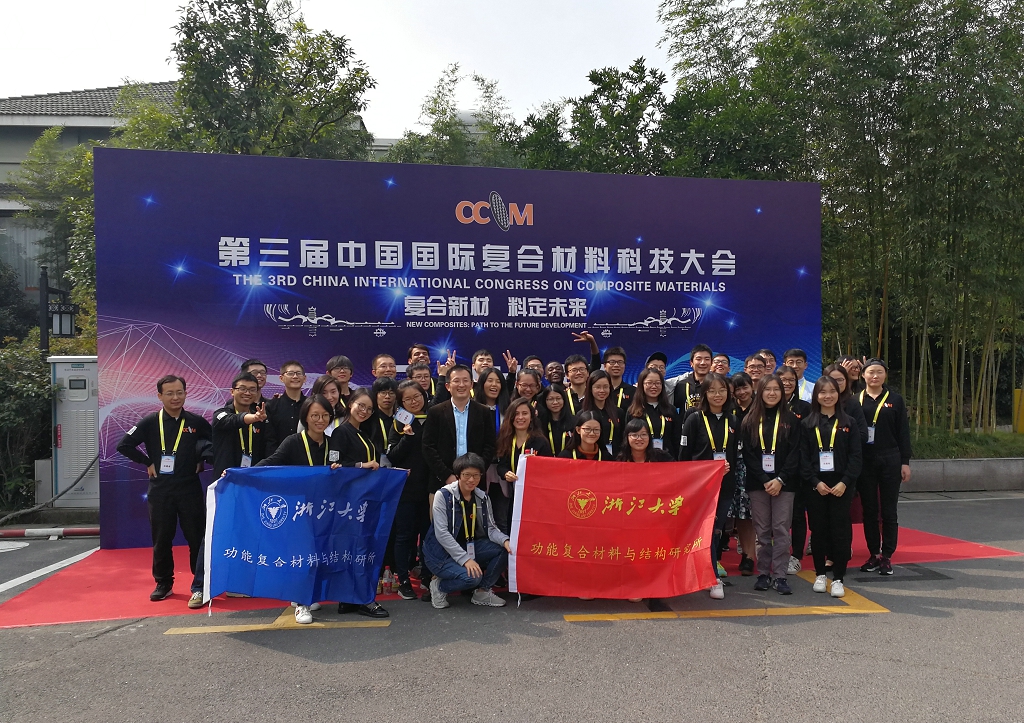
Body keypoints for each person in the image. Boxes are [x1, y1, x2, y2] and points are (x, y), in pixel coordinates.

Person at [116, 375, 212, 605]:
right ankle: (163, 583)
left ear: (186, 393)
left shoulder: (197, 422)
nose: (175, 397)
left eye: (179, 392)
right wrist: (147, 462)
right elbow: (123, 445)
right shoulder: (150, 422)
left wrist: (201, 459)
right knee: (161, 538)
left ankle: (200, 584)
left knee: (196, 537)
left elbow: (213, 445)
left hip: (189, 488)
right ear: (159, 396)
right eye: (169, 393)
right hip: (160, 490)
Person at [424, 453, 512, 609]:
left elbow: (491, 529)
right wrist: (465, 560)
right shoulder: (443, 496)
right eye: (467, 475)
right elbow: (441, 533)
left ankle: (482, 591)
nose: (471, 480)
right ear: (458, 475)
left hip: (467, 546)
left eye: (476, 475)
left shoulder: (482, 497)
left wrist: (505, 540)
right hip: (441, 554)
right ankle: (439, 587)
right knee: (472, 578)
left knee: (504, 549)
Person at [801, 376, 862, 598]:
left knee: (840, 530)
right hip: (815, 486)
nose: (828, 396)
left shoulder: (849, 423)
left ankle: (838, 578)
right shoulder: (807, 424)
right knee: (818, 530)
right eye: (823, 392)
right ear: (816, 396)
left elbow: (856, 457)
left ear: (839, 393)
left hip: (841, 486)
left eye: (832, 391)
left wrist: (844, 482)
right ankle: (820, 574)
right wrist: (815, 482)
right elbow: (803, 458)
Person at [678, 373, 738, 600]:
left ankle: (709, 573)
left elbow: (735, 454)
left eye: (721, 390)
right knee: (703, 532)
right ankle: (711, 577)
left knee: (716, 532)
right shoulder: (694, 419)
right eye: (712, 391)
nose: (717, 395)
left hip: (725, 486)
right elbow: (685, 457)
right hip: (700, 489)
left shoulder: (733, 421)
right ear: (704, 394)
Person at [741, 374, 801, 595]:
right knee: (763, 530)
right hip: (759, 484)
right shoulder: (749, 419)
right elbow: (748, 455)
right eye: (768, 389)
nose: (772, 393)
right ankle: (764, 573)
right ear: (760, 392)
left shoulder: (791, 419)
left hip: (785, 483)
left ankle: (780, 575)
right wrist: (766, 480)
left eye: (776, 389)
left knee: (781, 530)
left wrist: (780, 479)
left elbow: (795, 453)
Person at [857, 359, 912, 576]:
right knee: (869, 509)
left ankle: (887, 555)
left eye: (879, 372)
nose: (875, 376)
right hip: (865, 460)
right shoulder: (855, 400)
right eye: (871, 372)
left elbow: (903, 432)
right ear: (863, 375)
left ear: (885, 375)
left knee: (889, 510)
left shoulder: (895, 400)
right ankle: (873, 553)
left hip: (890, 457)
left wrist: (905, 462)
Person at [421, 364, 499, 505]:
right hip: (441, 482)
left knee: (473, 519)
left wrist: (475, 474)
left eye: (465, 381)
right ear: (448, 386)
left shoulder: (483, 412)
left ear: (471, 384)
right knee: (442, 520)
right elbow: (428, 447)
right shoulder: (435, 412)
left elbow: (489, 445)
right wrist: (447, 475)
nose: (461, 385)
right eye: (456, 381)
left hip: (475, 483)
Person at [386, 380, 432, 600]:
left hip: (430, 487)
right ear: (401, 403)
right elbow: (392, 456)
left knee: (428, 533)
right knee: (405, 535)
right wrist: (407, 436)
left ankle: (427, 575)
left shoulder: (433, 417)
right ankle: (403, 579)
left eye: (417, 397)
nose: (414, 402)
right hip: (406, 490)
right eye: (408, 399)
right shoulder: (399, 423)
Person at [494, 398, 553, 533]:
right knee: (513, 530)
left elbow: (549, 470)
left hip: (536, 497)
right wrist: (505, 473)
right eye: (516, 413)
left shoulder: (540, 441)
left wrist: (536, 466)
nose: (520, 417)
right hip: (514, 496)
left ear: (531, 417)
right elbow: (501, 465)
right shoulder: (506, 439)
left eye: (525, 413)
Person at [777, 365, 810, 576]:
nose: (787, 383)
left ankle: (796, 555)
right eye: (783, 379)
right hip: (774, 468)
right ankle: (776, 552)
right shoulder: (768, 404)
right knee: (777, 516)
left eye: (791, 380)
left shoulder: (804, 408)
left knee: (797, 513)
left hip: (798, 469)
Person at [726, 372, 757, 575]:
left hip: (753, 466)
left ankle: (750, 556)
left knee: (749, 515)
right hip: (730, 466)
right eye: (737, 389)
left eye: (745, 387)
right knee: (735, 514)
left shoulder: (760, 408)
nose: (742, 392)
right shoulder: (729, 410)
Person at [625, 368, 679, 457]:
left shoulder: (671, 410)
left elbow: (676, 439)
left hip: (667, 459)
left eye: (658, 383)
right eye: (649, 383)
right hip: (641, 460)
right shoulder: (633, 411)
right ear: (641, 385)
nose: (654, 386)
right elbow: (627, 440)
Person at [264, 360, 307, 456]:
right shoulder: (271, 406)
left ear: (304, 378)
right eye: (290, 373)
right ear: (281, 378)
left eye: (298, 373)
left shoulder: (311, 405)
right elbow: (270, 439)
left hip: (306, 459)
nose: (295, 376)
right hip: (278, 459)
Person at [583, 370, 622, 456]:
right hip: (591, 458)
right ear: (590, 389)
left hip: (615, 459)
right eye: (597, 387)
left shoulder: (619, 412)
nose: (602, 390)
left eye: (605, 387)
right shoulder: (583, 414)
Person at [671, 344, 713, 412]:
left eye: (707, 359)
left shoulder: (717, 384)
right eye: (698, 359)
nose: (703, 363)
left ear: (711, 362)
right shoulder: (681, 385)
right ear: (691, 363)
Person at [536, 383, 573, 455]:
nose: (555, 402)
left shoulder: (574, 421)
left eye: (558, 398)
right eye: (550, 399)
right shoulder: (539, 423)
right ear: (545, 401)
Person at [473, 366, 510, 435]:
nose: (494, 384)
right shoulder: (473, 409)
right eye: (490, 381)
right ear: (482, 384)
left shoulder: (508, 410)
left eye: (498, 382)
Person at [369, 376, 399, 458]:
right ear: (375, 395)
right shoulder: (369, 419)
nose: (387, 397)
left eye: (391, 393)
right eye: (383, 392)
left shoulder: (401, 418)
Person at [602, 346, 635, 412]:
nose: (616, 365)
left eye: (620, 362)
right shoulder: (599, 390)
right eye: (612, 362)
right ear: (605, 366)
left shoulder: (633, 392)